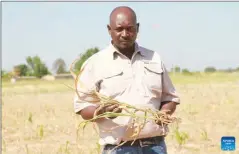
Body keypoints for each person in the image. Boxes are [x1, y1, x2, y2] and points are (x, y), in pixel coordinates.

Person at [73, 6, 180, 154]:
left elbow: (170, 97)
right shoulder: (94, 63)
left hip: (155, 146)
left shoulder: (154, 58)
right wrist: (100, 111)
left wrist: (164, 112)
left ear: (137, 28)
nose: (125, 34)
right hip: (118, 148)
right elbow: (82, 107)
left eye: (130, 28)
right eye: (119, 29)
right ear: (109, 30)